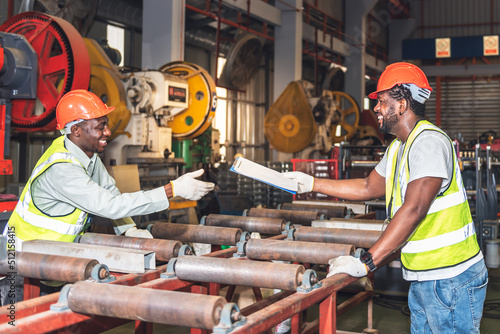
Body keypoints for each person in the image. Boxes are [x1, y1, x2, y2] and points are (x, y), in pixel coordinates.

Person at [283, 62, 488, 333]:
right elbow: (368, 187)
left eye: (381, 101)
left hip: (451, 279)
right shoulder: (398, 148)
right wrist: (312, 182)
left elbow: (414, 208)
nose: (376, 109)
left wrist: (367, 261)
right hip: (425, 277)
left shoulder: (428, 142)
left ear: (402, 104)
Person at [7, 89, 215, 248]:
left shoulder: (87, 156)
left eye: (106, 124)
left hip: (53, 253)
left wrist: (128, 229)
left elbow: (110, 192)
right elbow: (110, 206)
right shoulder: (62, 170)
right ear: (76, 130)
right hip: (23, 259)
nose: (107, 132)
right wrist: (172, 190)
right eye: (100, 127)